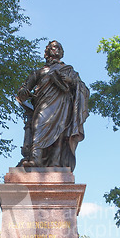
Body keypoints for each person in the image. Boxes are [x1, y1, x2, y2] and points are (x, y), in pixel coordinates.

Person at [16, 41, 89, 171]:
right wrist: (24, 93)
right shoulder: (39, 72)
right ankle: (35, 159)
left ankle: (55, 163)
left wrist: (71, 81)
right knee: (38, 127)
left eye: (60, 48)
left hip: (63, 104)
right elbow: (24, 89)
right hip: (43, 104)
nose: (58, 49)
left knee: (60, 132)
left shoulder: (69, 70)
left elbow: (83, 88)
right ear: (48, 51)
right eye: (55, 47)